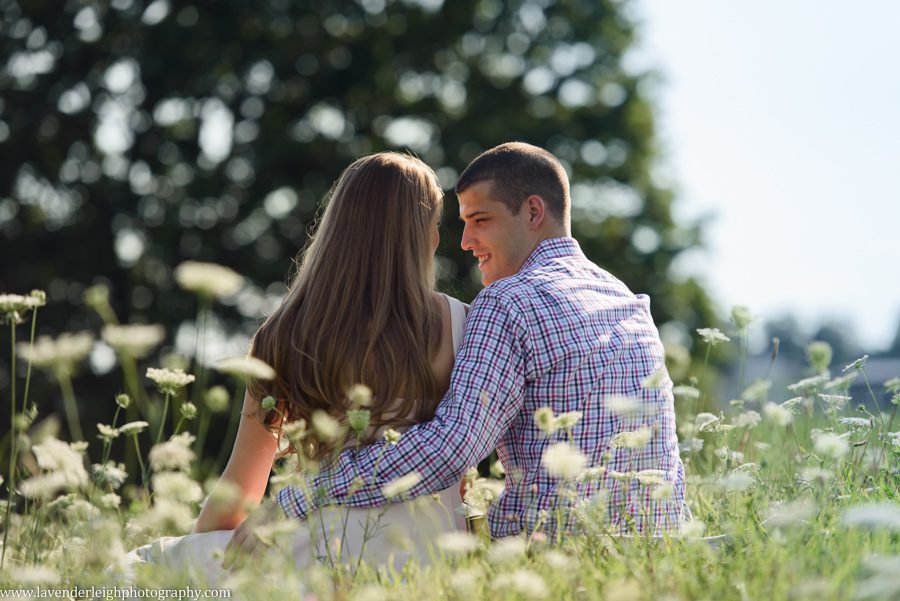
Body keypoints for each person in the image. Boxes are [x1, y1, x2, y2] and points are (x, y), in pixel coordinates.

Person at [231, 142, 687, 556]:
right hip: (661, 554)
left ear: (533, 212)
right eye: (458, 224)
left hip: (556, 559)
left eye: (480, 221)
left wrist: (298, 497)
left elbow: (449, 448)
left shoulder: (508, 302)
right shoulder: (627, 299)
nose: (465, 243)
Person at [115, 152, 468, 583]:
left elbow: (240, 490)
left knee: (136, 572)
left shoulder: (283, 335)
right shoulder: (462, 326)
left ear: (337, 229)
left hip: (316, 560)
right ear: (424, 237)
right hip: (428, 563)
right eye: (436, 225)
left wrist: (201, 566)